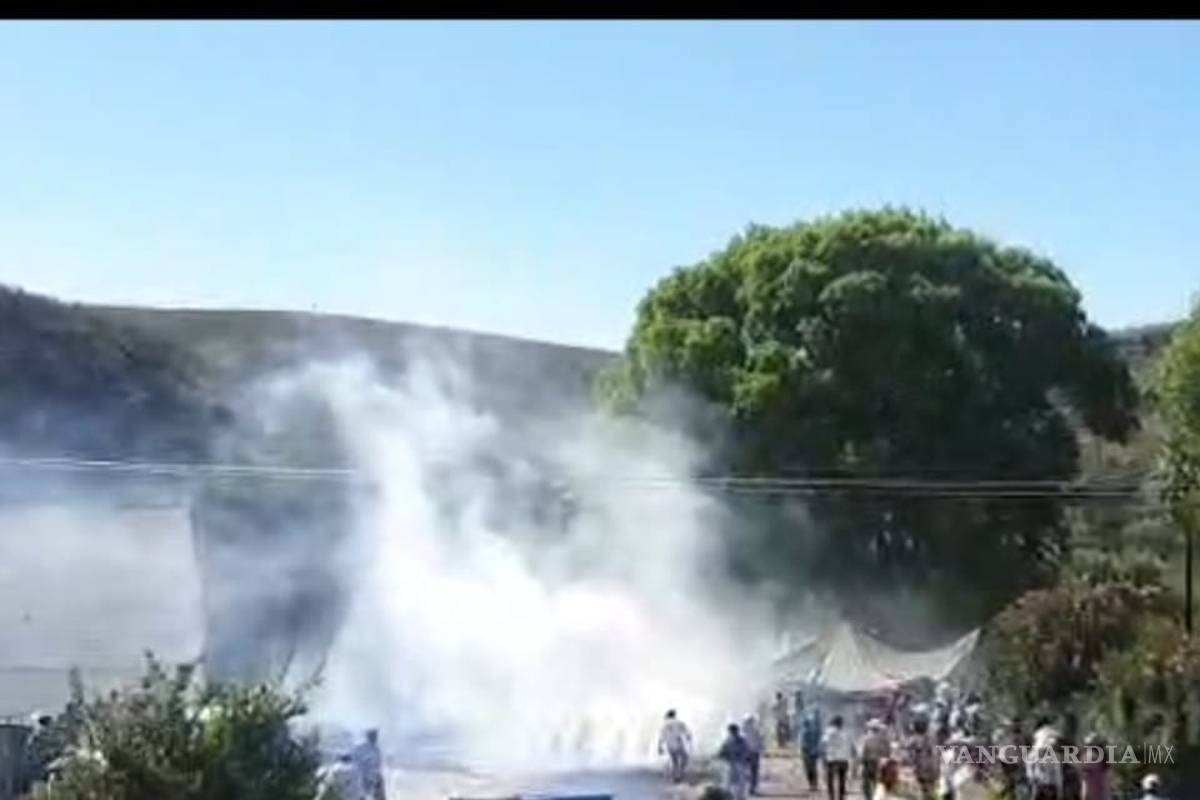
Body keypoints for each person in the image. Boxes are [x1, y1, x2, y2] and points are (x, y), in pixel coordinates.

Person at [905, 717, 939, 800]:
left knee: (925, 790)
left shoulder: (916, 738)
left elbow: (906, 747)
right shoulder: (931, 737)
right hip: (930, 768)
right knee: (930, 790)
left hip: (923, 768)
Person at [859, 718, 892, 800]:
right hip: (881, 763)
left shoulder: (867, 738)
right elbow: (888, 751)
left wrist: (862, 762)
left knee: (866, 783)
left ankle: (869, 798)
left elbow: (864, 751)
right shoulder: (884, 738)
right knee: (878, 783)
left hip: (870, 762)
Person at [659, 709, 694, 784]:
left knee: (675, 761)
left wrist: (659, 747)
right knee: (685, 758)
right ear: (674, 715)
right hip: (678, 744)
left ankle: (675, 777)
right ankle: (680, 774)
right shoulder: (680, 722)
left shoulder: (664, 725)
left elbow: (661, 737)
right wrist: (689, 739)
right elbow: (687, 733)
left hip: (670, 745)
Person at [822, 714, 852, 800]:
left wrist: (823, 756)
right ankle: (841, 797)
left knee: (830, 780)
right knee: (842, 780)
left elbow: (824, 744)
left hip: (832, 759)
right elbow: (849, 746)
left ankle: (831, 797)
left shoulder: (828, 732)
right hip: (843, 759)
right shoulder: (845, 733)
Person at [718, 723, 752, 800]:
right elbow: (722, 751)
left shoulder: (742, 741)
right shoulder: (728, 740)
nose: (732, 733)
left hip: (740, 763)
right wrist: (721, 755)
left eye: (733, 731)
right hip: (731, 763)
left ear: (737, 731)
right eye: (730, 732)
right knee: (727, 782)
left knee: (740, 782)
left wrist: (746, 760)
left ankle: (740, 797)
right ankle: (727, 797)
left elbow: (747, 752)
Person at [352, 729, 386, 800]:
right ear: (368, 736)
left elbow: (378, 763)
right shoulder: (361, 748)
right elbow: (356, 761)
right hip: (363, 776)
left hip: (374, 776)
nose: (375, 738)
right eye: (373, 736)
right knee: (361, 794)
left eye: (375, 736)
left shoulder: (376, 749)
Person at [1079, 734, 1112, 800]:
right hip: (1103, 793)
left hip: (1092, 793)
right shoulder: (1103, 760)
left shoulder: (1086, 757)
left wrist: (1083, 796)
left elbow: (1084, 780)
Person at [800, 708, 823, 793]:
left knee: (809, 769)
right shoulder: (814, 730)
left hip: (807, 752)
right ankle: (814, 784)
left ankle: (812, 784)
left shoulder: (805, 732)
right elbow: (817, 741)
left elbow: (803, 744)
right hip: (813, 752)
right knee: (813, 768)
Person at [743, 714, 765, 795]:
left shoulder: (742, 731)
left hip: (746, 753)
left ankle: (746, 789)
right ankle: (751, 789)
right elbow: (760, 741)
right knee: (753, 772)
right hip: (754, 753)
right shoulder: (756, 730)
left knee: (745, 771)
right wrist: (762, 749)